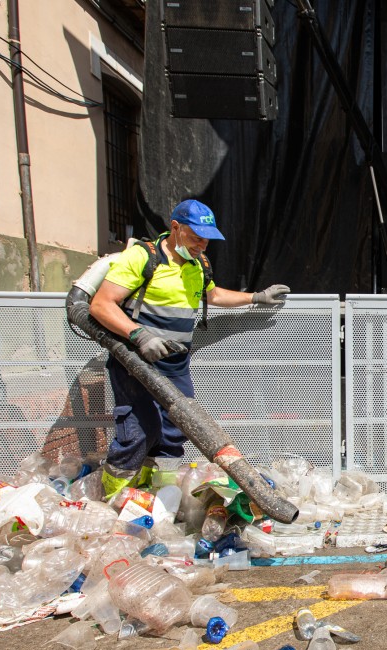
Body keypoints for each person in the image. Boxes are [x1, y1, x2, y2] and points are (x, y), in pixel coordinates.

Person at [89, 199, 289, 498]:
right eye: (196, 237)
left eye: (206, 239)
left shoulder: (199, 265)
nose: (201, 245)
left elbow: (214, 295)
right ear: (175, 228)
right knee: (139, 432)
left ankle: (156, 494)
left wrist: (256, 298)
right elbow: (101, 304)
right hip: (135, 361)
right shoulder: (142, 258)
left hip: (175, 363)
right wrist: (139, 335)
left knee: (175, 429)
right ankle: (113, 496)